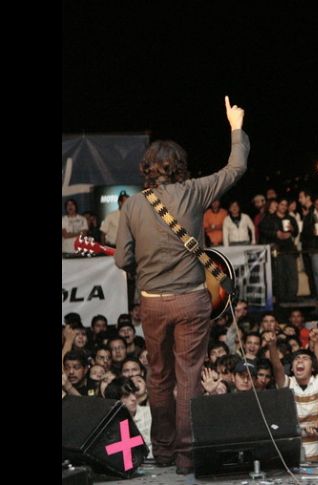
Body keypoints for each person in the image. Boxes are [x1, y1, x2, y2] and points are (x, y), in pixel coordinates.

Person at [114, 96, 248, 475]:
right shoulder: (194, 191)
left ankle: (163, 451)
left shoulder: (132, 205)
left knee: (158, 377)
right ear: (180, 167)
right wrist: (235, 126)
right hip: (191, 300)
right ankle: (187, 457)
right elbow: (236, 166)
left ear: (147, 169)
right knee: (189, 377)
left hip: (153, 303)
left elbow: (122, 260)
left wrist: (146, 262)